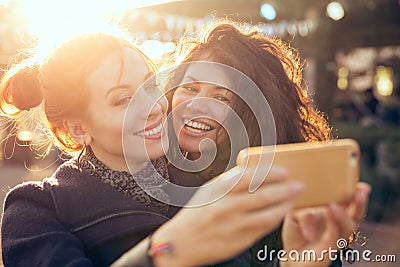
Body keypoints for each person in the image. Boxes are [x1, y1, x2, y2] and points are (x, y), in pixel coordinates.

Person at [0, 25, 305, 266]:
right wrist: (169, 250)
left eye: (150, 84)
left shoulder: (208, 184)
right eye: (124, 100)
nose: (154, 106)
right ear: (79, 129)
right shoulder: (37, 210)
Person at [164, 21, 371, 266]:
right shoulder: (153, 176)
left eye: (221, 97)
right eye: (190, 87)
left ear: (253, 116)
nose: (196, 105)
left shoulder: (287, 202)